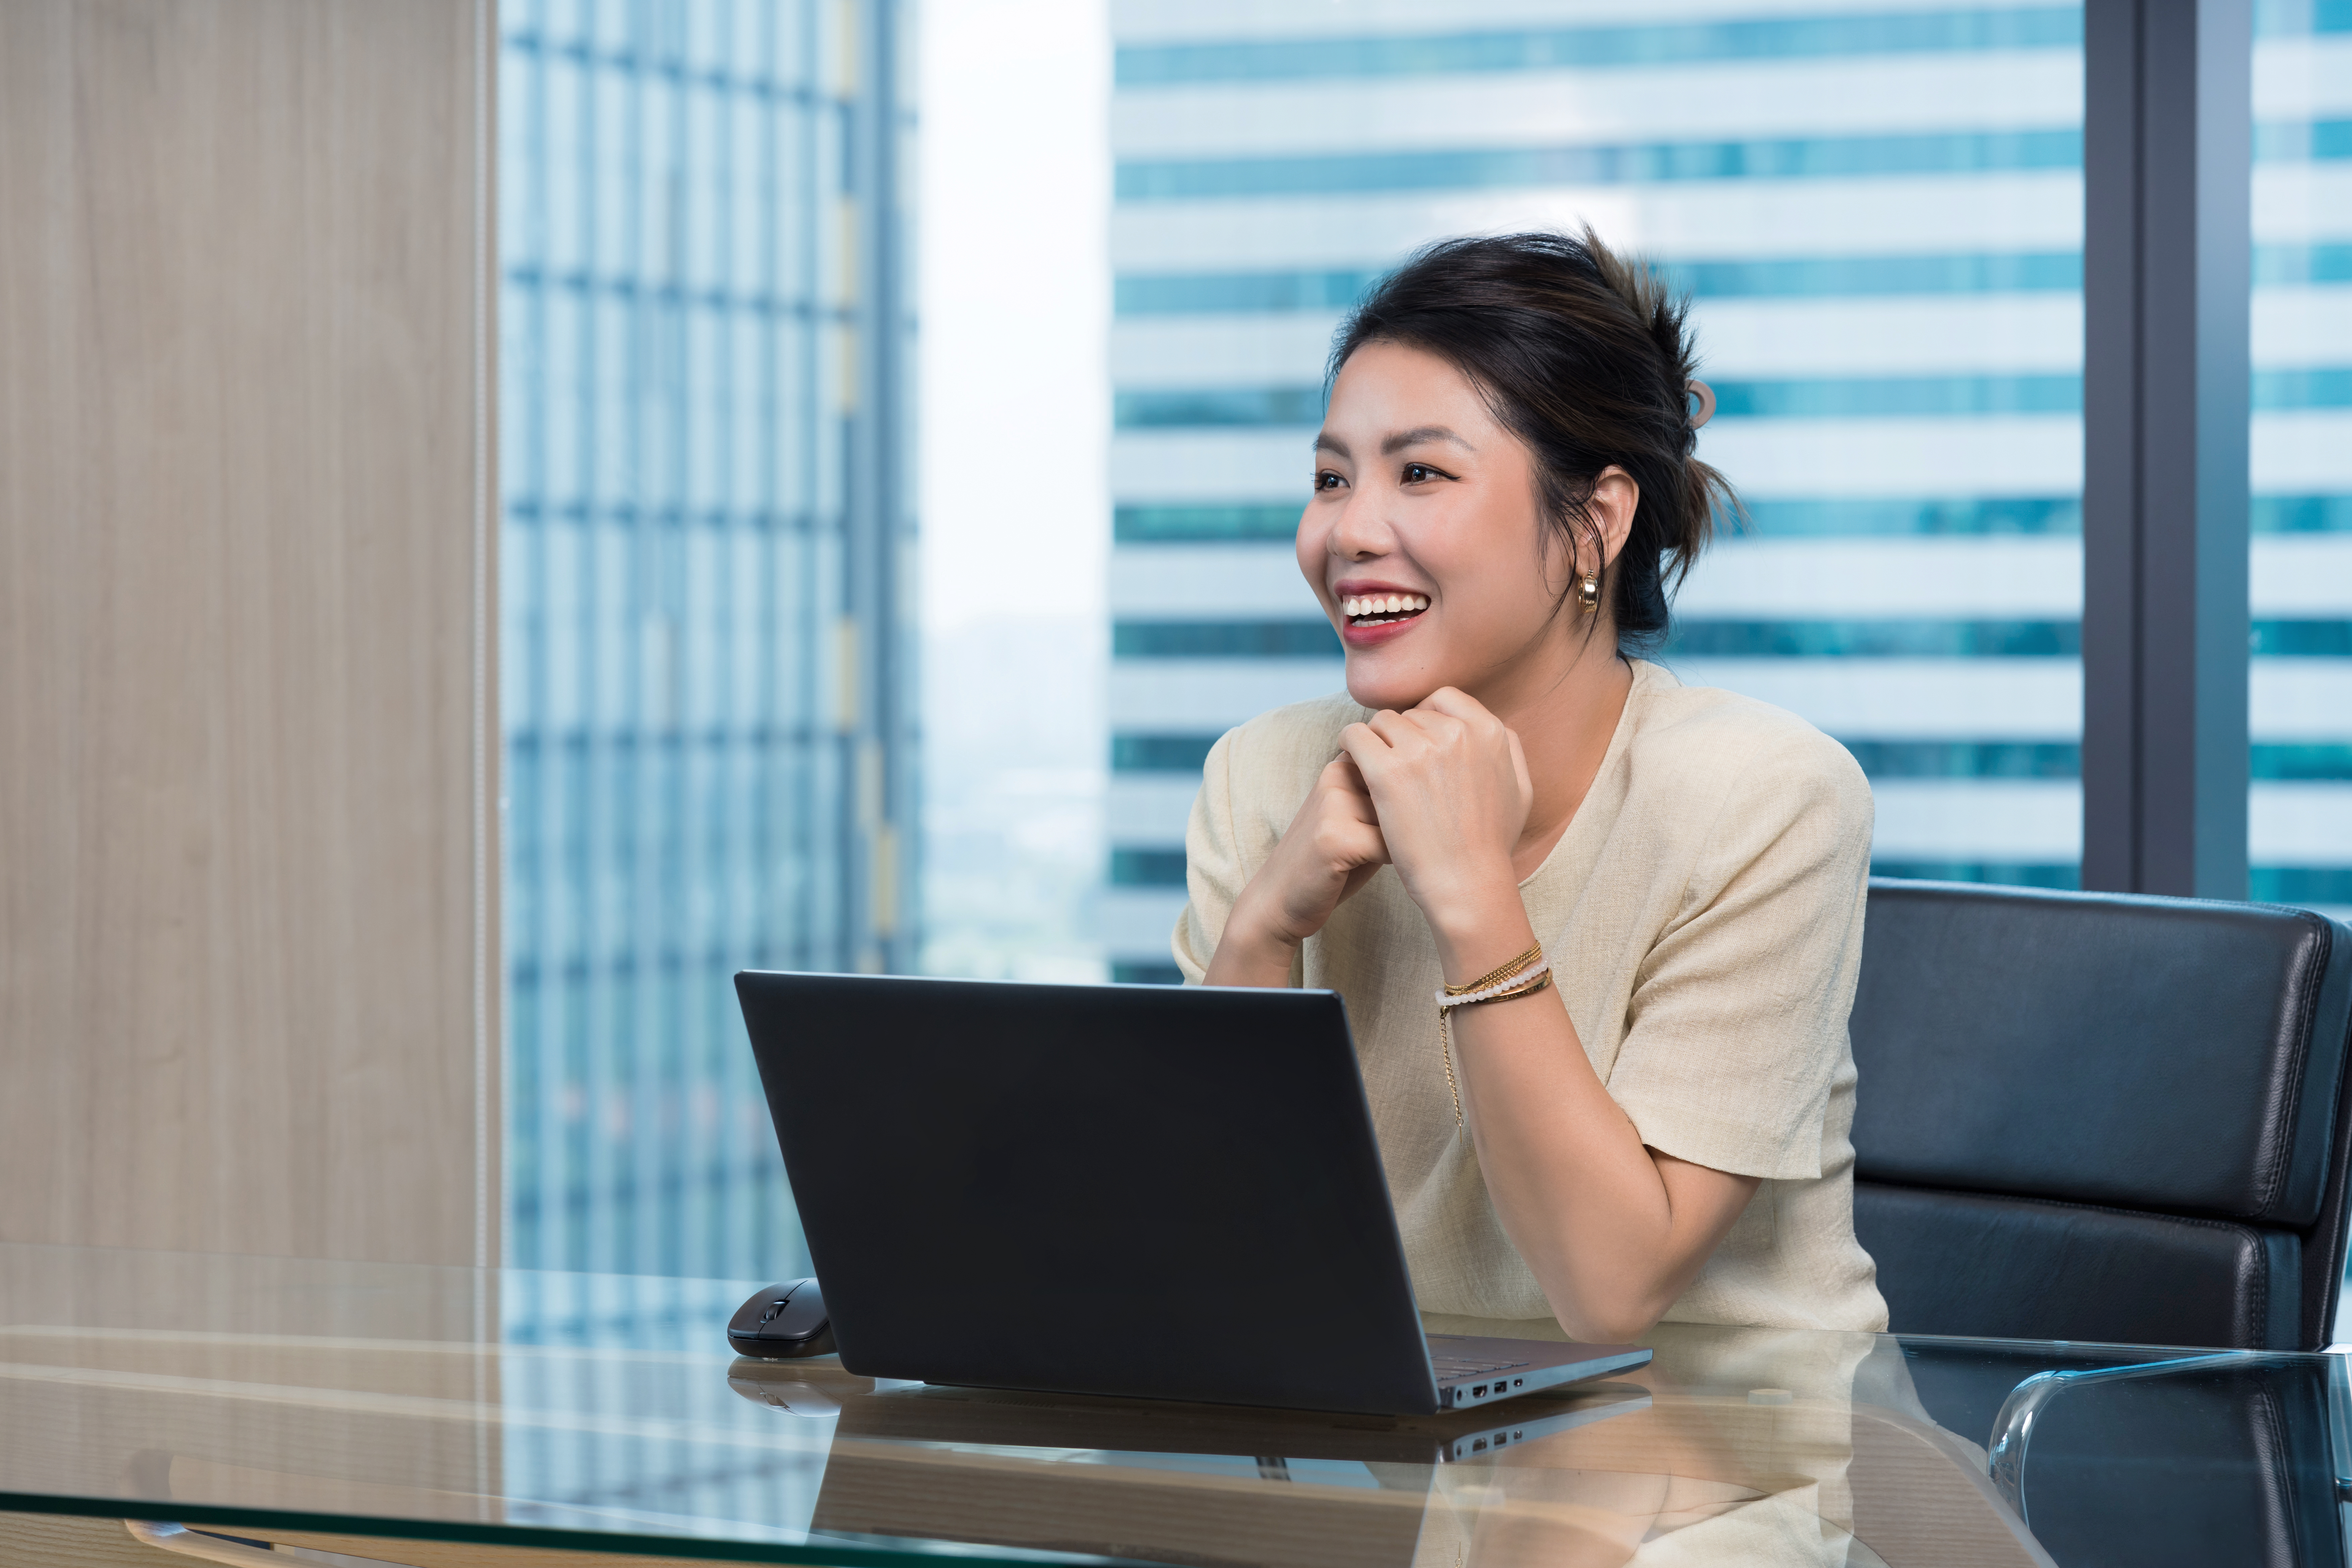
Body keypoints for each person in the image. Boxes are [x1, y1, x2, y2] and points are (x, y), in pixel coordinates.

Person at [1173, 229, 1887, 1340]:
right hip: (1391, 1462)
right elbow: (1210, 1247)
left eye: (1422, 473)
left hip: (1727, 1459)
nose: (1349, 531)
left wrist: (1474, 899)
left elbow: (1610, 1290)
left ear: (1595, 519)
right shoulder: (1261, 776)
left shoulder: (1767, 797)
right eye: (1331, 478)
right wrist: (1266, 926)